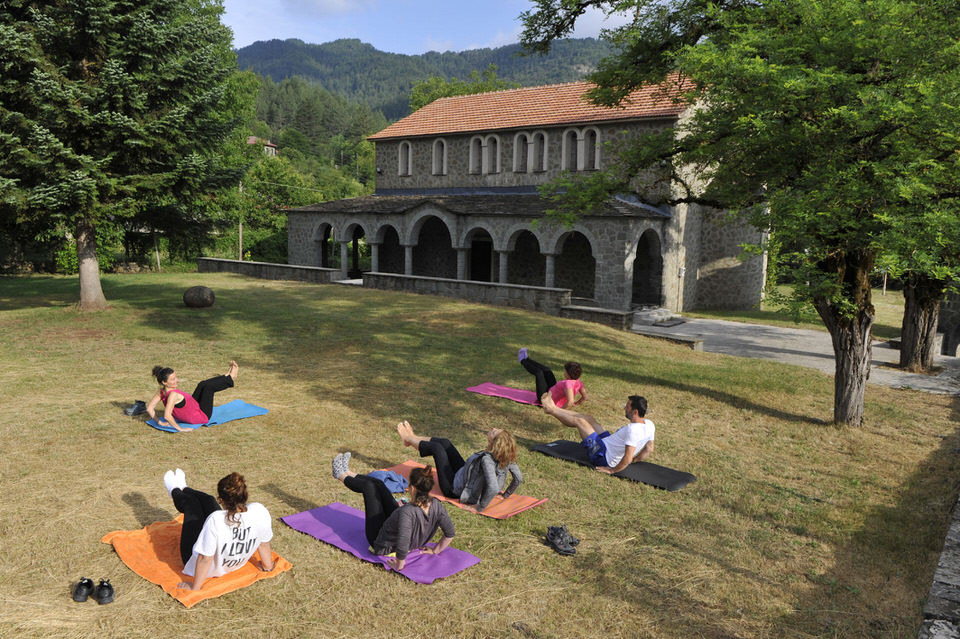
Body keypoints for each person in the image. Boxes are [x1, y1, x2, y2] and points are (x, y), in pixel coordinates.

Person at [332, 453, 454, 571]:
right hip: (396, 529)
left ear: (412, 488)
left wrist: (399, 564)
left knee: (369, 488)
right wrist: (435, 550)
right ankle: (348, 472)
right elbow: (450, 533)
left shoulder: (407, 512)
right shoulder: (437, 505)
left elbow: (403, 541)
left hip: (381, 543)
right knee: (379, 484)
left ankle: (339, 474)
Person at [161, 469, 275, 591]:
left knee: (192, 505)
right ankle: (184, 487)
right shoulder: (260, 511)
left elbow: (205, 558)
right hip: (233, 563)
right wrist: (267, 566)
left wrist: (195, 587)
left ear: (221, 501)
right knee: (209, 500)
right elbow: (263, 544)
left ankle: (174, 489)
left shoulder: (215, 520)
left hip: (195, 563)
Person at [396, 420, 522, 514]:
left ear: (494, 442)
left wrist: (479, 507)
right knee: (445, 443)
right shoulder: (507, 457)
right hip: (465, 475)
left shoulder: (487, 460)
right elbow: (518, 479)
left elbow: (493, 487)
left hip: (455, 489)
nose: (493, 428)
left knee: (438, 449)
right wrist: (506, 494)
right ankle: (413, 438)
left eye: (494, 431)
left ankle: (407, 438)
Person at [541, 393, 655, 474]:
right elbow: (649, 448)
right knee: (588, 418)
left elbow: (628, 457)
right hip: (608, 443)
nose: (625, 408)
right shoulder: (650, 424)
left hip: (602, 456)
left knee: (580, 422)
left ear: (635, 411)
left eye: (628, 406)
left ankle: (551, 410)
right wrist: (637, 460)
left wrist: (612, 470)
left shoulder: (633, 430)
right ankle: (554, 408)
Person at [146, 361, 238, 431]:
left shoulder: (161, 392)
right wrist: (180, 429)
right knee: (208, 388)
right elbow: (167, 416)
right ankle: (231, 378)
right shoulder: (173, 395)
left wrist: (159, 422)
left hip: (194, 406)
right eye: (173, 379)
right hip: (201, 415)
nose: (177, 380)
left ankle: (227, 376)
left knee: (202, 384)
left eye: (176, 377)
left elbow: (149, 408)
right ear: (164, 382)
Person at [517, 347, 587, 407]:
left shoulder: (568, 384)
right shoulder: (578, 381)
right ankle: (526, 358)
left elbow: (570, 402)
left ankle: (522, 360)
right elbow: (584, 397)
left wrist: (560, 412)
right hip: (551, 390)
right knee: (547, 370)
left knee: (539, 373)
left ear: (568, 374)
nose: (564, 372)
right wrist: (578, 403)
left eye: (565, 371)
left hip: (545, 398)